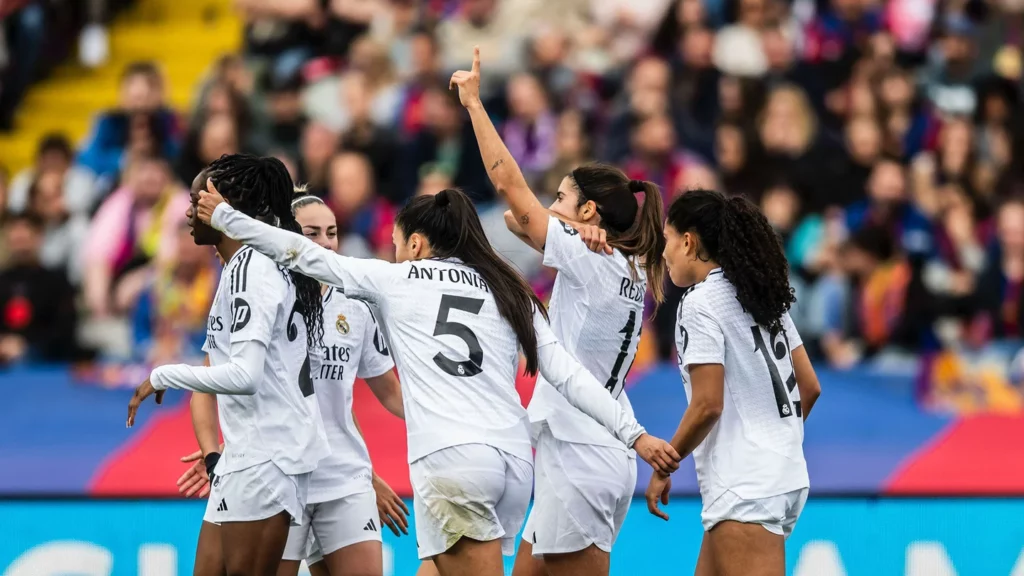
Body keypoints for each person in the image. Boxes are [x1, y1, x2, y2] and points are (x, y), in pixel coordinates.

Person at [197, 185, 681, 576]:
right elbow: (569, 374)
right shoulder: (508, 287)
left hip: (453, 462)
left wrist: (226, 218)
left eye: (396, 244)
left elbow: (300, 252)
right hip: (513, 465)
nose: (394, 254)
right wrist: (633, 433)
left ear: (415, 244)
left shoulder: (396, 280)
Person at [451, 46, 667, 576]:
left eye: (562, 199)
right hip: (581, 448)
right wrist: (572, 226)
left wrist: (475, 105)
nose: (551, 207)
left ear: (590, 210)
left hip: (582, 452)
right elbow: (514, 219)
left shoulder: (590, 257)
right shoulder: (625, 262)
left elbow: (509, 189)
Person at [126, 154, 329, 576]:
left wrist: (163, 375)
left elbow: (245, 376)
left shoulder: (252, 268)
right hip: (245, 454)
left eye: (195, 200)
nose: (187, 212)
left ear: (225, 208)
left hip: (267, 457)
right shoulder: (243, 266)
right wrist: (215, 454)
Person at [645, 189, 822, 576]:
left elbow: (708, 404)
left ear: (688, 242)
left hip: (745, 484)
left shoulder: (699, 303)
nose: (663, 252)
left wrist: (665, 465)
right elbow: (809, 387)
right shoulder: (762, 296)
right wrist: (776, 440)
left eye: (667, 239)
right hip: (776, 475)